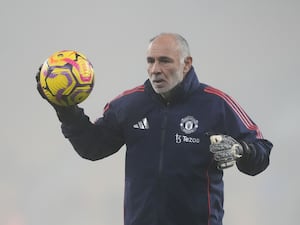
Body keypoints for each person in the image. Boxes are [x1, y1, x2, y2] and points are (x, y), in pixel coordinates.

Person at [36, 33, 273, 225]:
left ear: (187, 63)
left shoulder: (216, 104)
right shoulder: (129, 105)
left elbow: (261, 150)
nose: (155, 69)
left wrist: (242, 150)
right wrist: (65, 110)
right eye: (151, 61)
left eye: (165, 61)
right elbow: (93, 147)